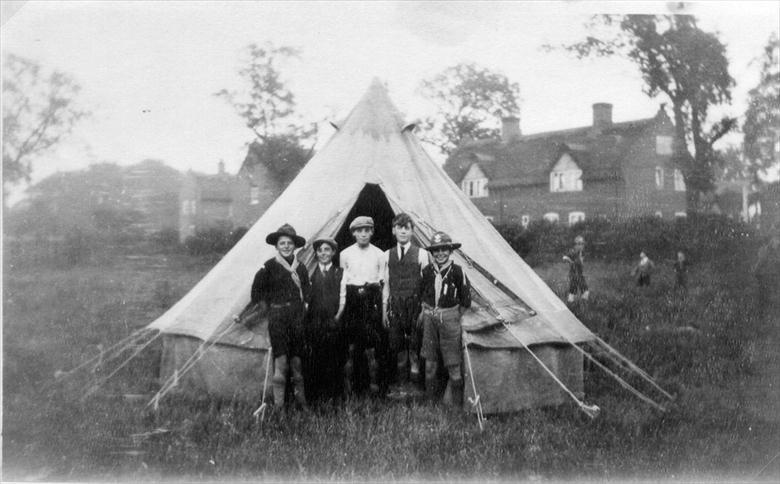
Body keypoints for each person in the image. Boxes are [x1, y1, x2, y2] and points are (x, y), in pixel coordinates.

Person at [249, 223, 311, 409]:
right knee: (281, 362)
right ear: (276, 246)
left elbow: (307, 290)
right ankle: (279, 407)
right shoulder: (268, 267)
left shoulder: (301, 268)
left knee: (297, 363)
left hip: (296, 317)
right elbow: (256, 292)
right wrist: (269, 308)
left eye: (289, 243)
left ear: (295, 246)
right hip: (278, 318)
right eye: (282, 243)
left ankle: (302, 403)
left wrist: (304, 305)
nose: (286, 246)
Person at [419, 231, 471, 407]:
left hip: (450, 318)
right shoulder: (427, 271)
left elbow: (465, 301)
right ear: (432, 253)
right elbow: (422, 295)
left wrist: (452, 316)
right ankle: (430, 403)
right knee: (430, 363)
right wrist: (428, 312)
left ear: (450, 251)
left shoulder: (457, 272)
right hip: (430, 318)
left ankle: (457, 406)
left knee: (453, 363)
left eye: (444, 249)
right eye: (436, 250)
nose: (440, 253)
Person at [382, 213, 429, 393]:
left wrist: (423, 309)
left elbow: (427, 285)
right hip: (396, 306)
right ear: (393, 230)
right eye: (399, 228)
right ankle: (402, 386)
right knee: (399, 348)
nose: (403, 231)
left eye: (407, 228)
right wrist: (385, 310)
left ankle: (415, 387)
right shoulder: (387, 255)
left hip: (415, 306)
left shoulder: (422, 254)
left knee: (414, 348)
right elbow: (386, 285)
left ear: (412, 231)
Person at [340, 216, 385, 396]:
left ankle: (374, 389)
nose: (364, 234)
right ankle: (348, 389)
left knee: (371, 348)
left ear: (372, 232)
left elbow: (381, 281)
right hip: (351, 299)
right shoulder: (345, 254)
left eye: (367, 230)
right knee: (350, 347)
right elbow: (342, 282)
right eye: (360, 231)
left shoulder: (379, 254)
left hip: (371, 298)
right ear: (353, 233)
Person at [306, 237, 345, 402]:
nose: (323, 253)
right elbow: (306, 300)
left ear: (333, 252)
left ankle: (334, 396)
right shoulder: (311, 273)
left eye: (327, 250)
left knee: (334, 359)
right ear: (316, 253)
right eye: (320, 250)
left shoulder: (339, 272)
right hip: (315, 322)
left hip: (333, 321)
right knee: (315, 358)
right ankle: (316, 396)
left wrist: (336, 318)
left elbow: (343, 299)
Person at [752, 233, 780, 319]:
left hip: (767, 275)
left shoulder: (767, 250)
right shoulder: (767, 250)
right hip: (766, 275)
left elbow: (761, 262)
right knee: (765, 295)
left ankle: (764, 314)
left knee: (764, 295)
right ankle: (764, 314)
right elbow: (761, 261)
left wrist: (756, 270)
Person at [563, 235, 589, 302]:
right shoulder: (573, 252)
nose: (581, 246)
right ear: (575, 245)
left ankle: (575, 302)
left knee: (576, 290)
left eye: (582, 244)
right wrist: (570, 261)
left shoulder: (582, 253)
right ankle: (574, 303)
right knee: (583, 290)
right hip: (574, 274)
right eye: (579, 244)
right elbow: (564, 257)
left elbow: (581, 262)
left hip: (579, 274)